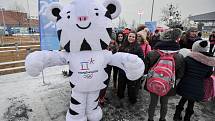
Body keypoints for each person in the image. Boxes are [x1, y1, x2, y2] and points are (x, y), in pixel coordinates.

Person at [144, 28, 185, 121]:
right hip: (169, 83)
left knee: (152, 103)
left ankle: (150, 119)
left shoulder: (152, 53)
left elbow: (145, 69)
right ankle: (162, 119)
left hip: (153, 81)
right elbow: (181, 74)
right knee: (164, 103)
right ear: (175, 39)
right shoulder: (179, 56)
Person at [173, 40, 215, 121]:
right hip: (198, 86)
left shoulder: (188, 58)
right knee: (191, 102)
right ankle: (187, 118)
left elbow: (183, 71)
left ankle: (177, 116)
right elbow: (208, 75)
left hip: (185, 84)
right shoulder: (209, 62)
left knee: (183, 99)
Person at [117, 30, 144, 104]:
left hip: (132, 71)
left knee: (131, 86)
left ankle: (132, 99)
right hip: (122, 69)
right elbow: (119, 56)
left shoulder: (138, 47)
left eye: (133, 37)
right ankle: (120, 95)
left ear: (135, 38)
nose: (131, 38)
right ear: (127, 37)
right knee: (121, 84)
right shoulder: (123, 46)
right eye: (130, 36)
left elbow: (141, 59)